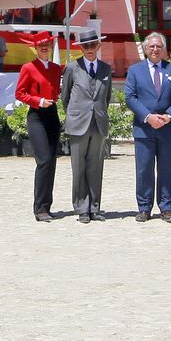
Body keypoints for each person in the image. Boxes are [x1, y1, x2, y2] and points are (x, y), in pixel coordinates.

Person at [123, 31, 171, 222]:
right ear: (145, 48)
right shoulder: (135, 71)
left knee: (167, 168)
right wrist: (147, 116)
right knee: (144, 169)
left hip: (167, 128)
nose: (155, 49)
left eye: (158, 46)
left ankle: (166, 207)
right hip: (144, 128)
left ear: (164, 49)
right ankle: (144, 207)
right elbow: (130, 97)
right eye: (151, 46)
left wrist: (169, 116)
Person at [60, 36, 112, 223]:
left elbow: (107, 97)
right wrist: (75, 114)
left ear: (98, 46)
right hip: (78, 123)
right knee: (79, 167)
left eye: (93, 45)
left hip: (98, 122)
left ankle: (95, 207)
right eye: (86, 46)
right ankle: (81, 207)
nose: (89, 48)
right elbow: (65, 96)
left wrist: (98, 113)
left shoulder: (106, 68)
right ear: (81, 48)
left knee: (96, 167)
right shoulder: (72, 68)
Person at [15, 37, 63, 222]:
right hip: (36, 115)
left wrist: (52, 99)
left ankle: (47, 206)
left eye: (47, 46)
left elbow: (56, 89)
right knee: (43, 160)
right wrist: (38, 101)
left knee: (51, 161)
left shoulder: (55, 68)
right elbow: (19, 92)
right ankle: (39, 207)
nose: (44, 48)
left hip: (52, 114)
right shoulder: (28, 67)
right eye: (41, 46)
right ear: (35, 48)